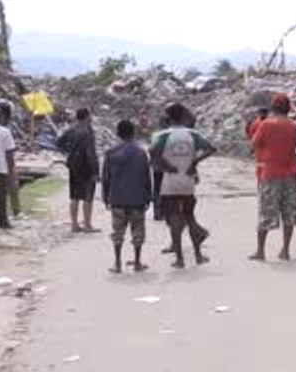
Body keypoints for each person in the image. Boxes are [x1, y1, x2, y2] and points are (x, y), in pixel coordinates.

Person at [150, 103, 216, 269]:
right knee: (189, 216)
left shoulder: (164, 135)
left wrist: (166, 165)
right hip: (188, 180)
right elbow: (211, 149)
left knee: (173, 219)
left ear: (169, 117)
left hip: (170, 181)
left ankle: (179, 259)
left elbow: (153, 152)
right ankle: (198, 255)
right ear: (183, 117)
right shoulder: (193, 134)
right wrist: (194, 162)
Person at [248, 93, 296, 262]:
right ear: (288, 108)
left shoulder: (266, 125)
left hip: (270, 172)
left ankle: (260, 251)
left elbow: (254, 144)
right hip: (291, 173)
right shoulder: (295, 126)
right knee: (289, 213)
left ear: (273, 107)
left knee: (266, 212)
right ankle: (285, 250)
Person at [101, 120, 153, 273]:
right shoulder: (141, 153)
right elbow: (146, 177)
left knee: (117, 232)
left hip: (117, 199)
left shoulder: (111, 153)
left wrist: (106, 197)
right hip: (137, 199)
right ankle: (137, 262)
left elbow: (106, 178)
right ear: (133, 133)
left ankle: (117, 263)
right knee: (138, 231)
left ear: (118, 133)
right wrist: (148, 197)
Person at [57, 108, 101, 233]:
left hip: (73, 164)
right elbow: (90, 152)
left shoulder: (71, 129)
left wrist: (69, 152)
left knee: (74, 195)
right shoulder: (88, 131)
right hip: (86, 165)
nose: (91, 118)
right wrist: (95, 171)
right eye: (90, 116)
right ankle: (87, 224)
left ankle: (74, 224)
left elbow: (59, 143)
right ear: (87, 117)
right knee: (88, 196)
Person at [0, 99, 22, 218]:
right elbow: (9, 150)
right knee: (12, 186)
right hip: (5, 161)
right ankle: (16, 211)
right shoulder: (6, 130)